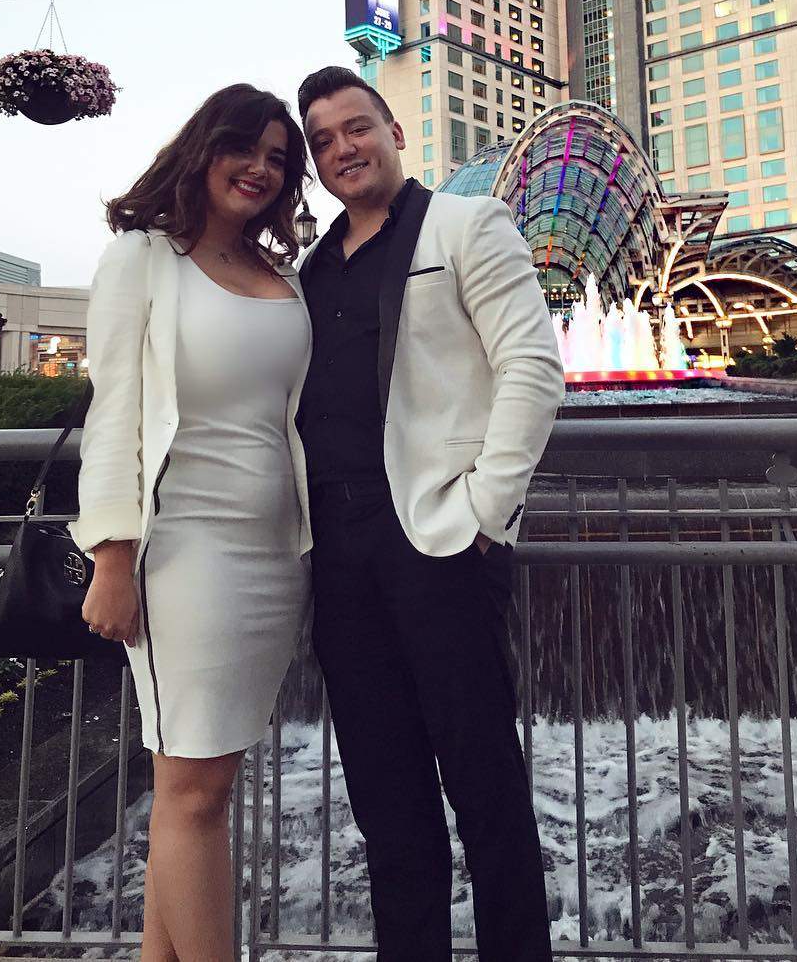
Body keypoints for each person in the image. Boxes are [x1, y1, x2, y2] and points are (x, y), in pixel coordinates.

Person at [295, 65, 564, 962]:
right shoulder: (312, 268)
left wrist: (487, 514)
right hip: (338, 560)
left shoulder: (464, 224)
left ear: (395, 133)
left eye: (356, 127)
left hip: (439, 542)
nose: (343, 148)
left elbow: (532, 366)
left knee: (486, 791)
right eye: (323, 141)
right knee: (387, 802)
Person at [74, 84, 313, 962]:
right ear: (203, 149)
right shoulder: (143, 259)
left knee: (202, 789)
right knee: (194, 794)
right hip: (184, 554)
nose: (261, 168)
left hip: (274, 555)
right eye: (243, 148)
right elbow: (114, 413)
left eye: (278, 158)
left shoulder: (282, 276)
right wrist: (112, 555)